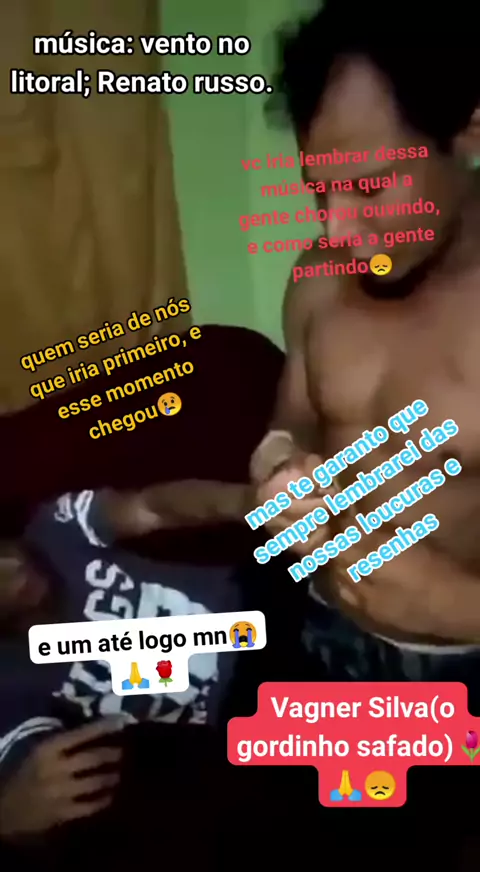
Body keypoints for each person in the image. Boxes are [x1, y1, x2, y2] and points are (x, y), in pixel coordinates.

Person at [250, 0, 480, 698]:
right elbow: (293, 420)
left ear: (469, 130)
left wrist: (459, 607)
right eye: (318, 191)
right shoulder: (317, 278)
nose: (339, 230)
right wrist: (280, 467)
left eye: (371, 187)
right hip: (322, 638)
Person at [0, 479, 250, 841]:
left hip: (257, 604)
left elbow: (152, 507)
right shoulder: (11, 683)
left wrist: (248, 501)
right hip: (236, 712)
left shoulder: (53, 528)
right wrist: (9, 815)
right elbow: (33, 791)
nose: (12, 563)